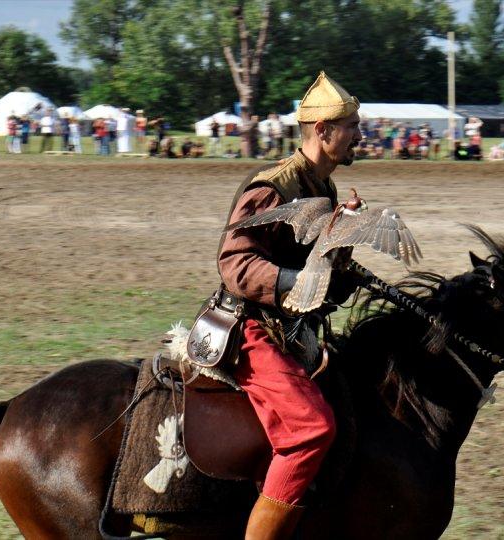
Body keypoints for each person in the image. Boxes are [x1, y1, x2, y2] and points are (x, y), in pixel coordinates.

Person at [218, 71, 362, 538]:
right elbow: (235, 264)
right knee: (312, 429)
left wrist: (345, 244)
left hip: (294, 330)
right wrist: (296, 281)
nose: (359, 136)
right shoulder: (273, 187)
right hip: (252, 328)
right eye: (352, 127)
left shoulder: (325, 188)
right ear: (323, 131)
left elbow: (324, 281)